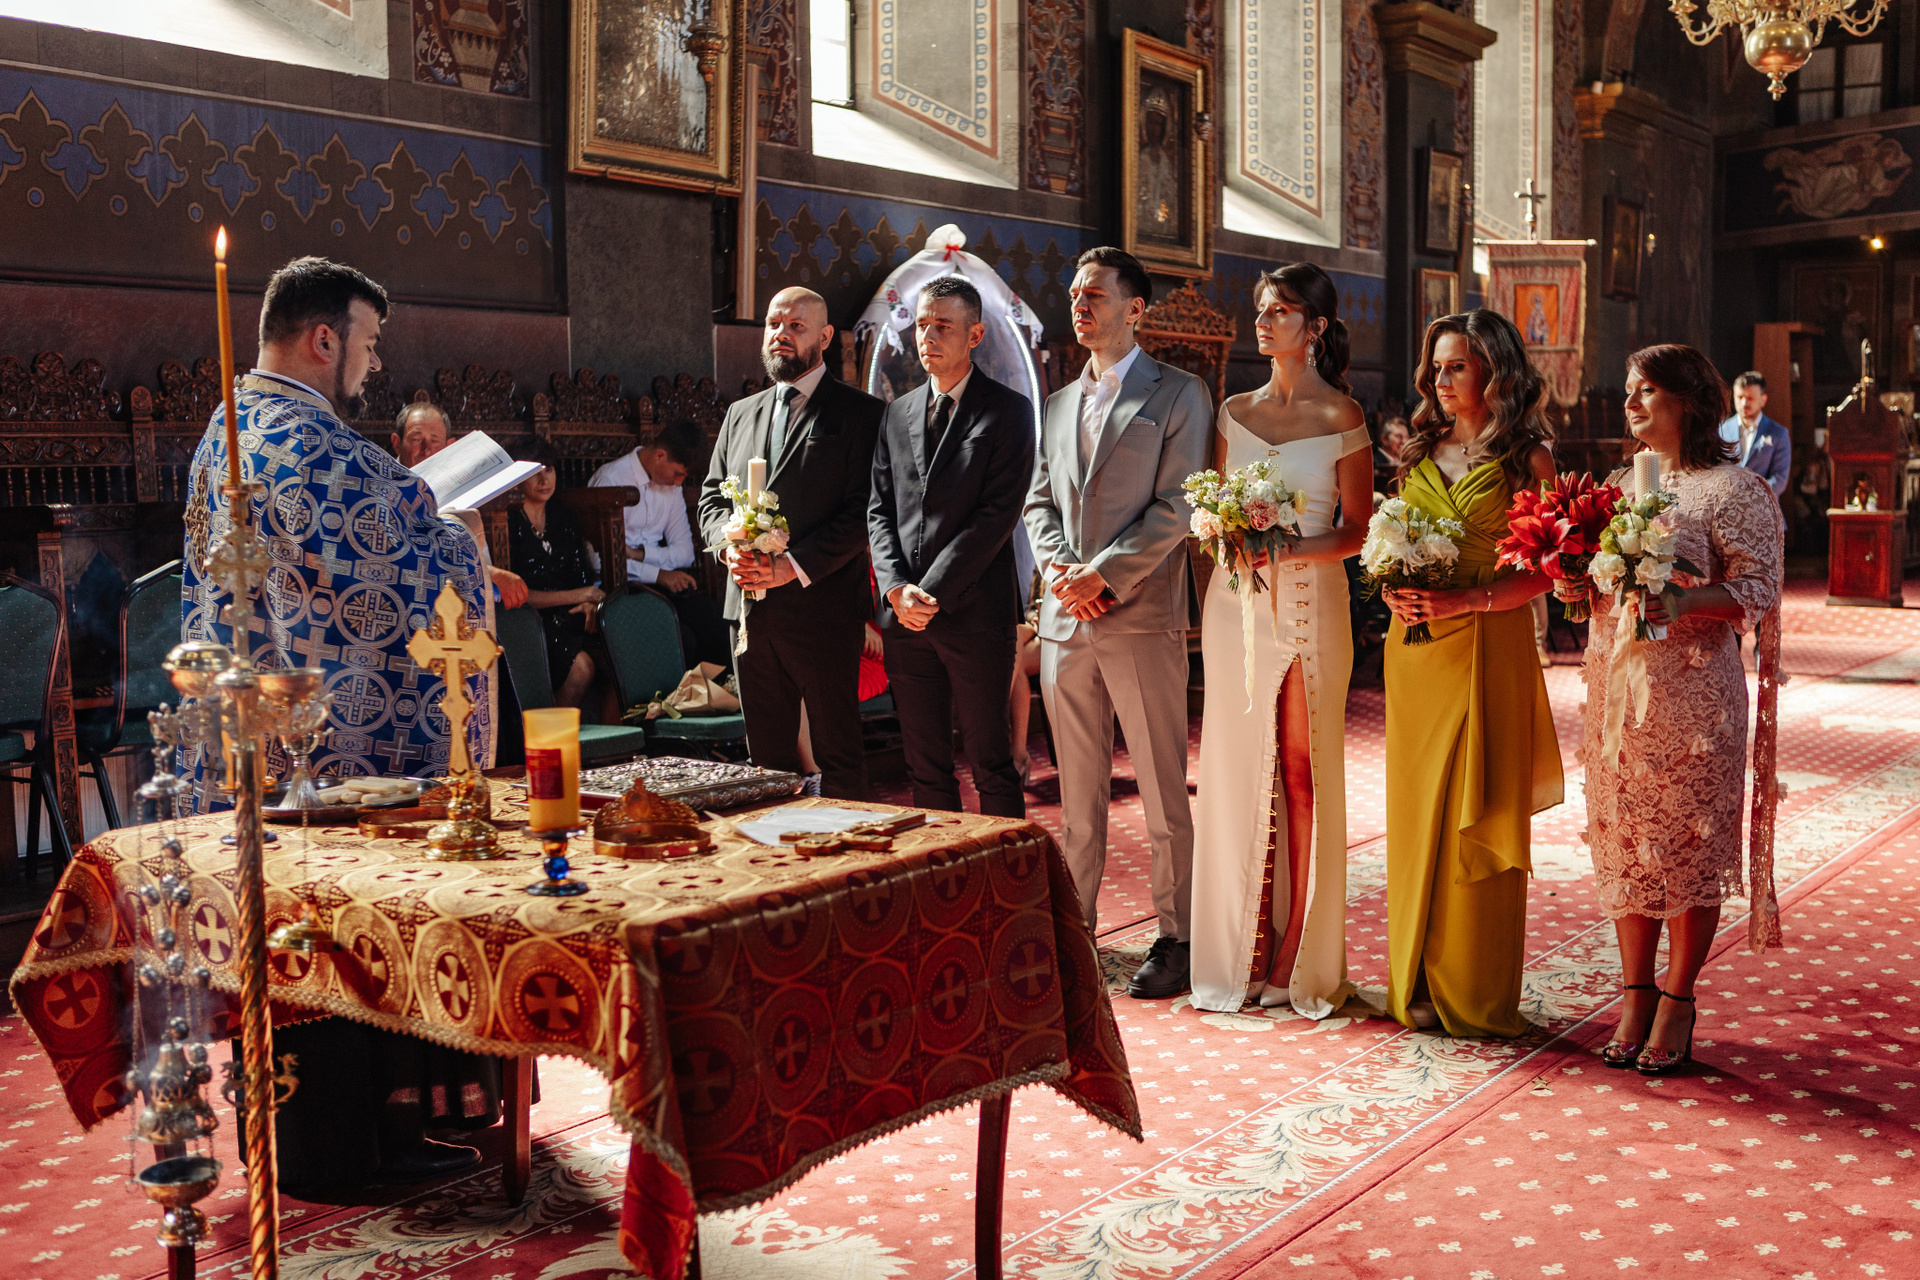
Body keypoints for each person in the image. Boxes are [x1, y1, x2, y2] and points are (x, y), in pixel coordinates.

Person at [180, 255, 503, 1188]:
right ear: (324, 339)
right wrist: (464, 539)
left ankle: (318, 1139)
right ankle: (351, 1150)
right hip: (327, 755)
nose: (373, 362)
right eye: (368, 342)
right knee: (339, 938)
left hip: (249, 745)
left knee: (287, 940)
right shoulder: (312, 444)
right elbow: (406, 576)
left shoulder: (226, 428)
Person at [1581, 345, 1784, 1075]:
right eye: (1629, 390)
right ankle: (1635, 993)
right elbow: (1602, 588)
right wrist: (1578, 583)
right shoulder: (1616, 485)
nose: (1631, 403)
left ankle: (1677, 998)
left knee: (1690, 844)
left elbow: (1758, 587)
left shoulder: (1733, 490)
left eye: (1647, 391)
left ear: (1690, 401)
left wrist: (1685, 599)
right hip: (1616, 693)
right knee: (1627, 841)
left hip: (1696, 699)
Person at [1023, 247, 1212, 999]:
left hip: (1138, 614)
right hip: (1067, 621)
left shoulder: (1180, 392)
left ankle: (1178, 937)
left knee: (1163, 790)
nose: (1080, 304)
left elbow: (1181, 502)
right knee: (1078, 798)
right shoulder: (1057, 403)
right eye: (1075, 293)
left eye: (1095, 294)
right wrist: (1062, 576)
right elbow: (1039, 502)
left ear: (1135, 309)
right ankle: (1077, 931)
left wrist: (1104, 575)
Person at [1189, 264, 1371, 1018]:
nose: (1264, 322)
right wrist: (1224, 533)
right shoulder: (1233, 410)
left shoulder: (1342, 414)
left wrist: (1286, 548)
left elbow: (1356, 531)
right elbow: (1215, 512)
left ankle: (1296, 950)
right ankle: (1239, 946)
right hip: (1234, 605)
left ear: (1315, 327)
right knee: (1235, 773)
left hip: (1307, 604)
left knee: (1299, 770)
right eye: (1262, 309)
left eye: (1281, 311)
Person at [1380, 309, 1564, 1038]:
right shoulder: (1416, 452)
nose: (1441, 380)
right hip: (1417, 651)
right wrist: (1391, 588)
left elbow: (1551, 570)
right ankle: (1416, 978)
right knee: (1418, 813)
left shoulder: (1530, 460)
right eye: (1436, 367)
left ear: (1495, 371)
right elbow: (1393, 543)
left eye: (1457, 365)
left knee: (1477, 809)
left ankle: (1474, 985)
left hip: (1490, 644)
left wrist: (1468, 600)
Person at [697, 286, 884, 800]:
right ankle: (778, 847)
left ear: (824, 337)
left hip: (824, 608)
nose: (781, 334)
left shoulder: (862, 413)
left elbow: (864, 511)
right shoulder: (741, 413)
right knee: (767, 761)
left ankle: (849, 847)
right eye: (774, 324)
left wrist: (791, 566)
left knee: (837, 754)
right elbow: (711, 498)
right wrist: (727, 546)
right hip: (750, 611)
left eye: (796, 326)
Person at [869, 275, 1035, 818]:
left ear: (975, 335)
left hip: (976, 613)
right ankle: (938, 866)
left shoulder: (1009, 410)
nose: (928, 336)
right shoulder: (896, 412)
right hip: (905, 618)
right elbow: (879, 510)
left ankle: (1007, 867)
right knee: (925, 767)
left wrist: (931, 592)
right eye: (922, 324)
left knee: (991, 764)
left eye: (943, 326)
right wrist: (896, 588)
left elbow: (996, 516)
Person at [589, 419, 731, 669]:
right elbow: (597, 561)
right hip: (618, 589)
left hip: (659, 588)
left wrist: (640, 554)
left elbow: (684, 552)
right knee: (680, 639)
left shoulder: (671, 488)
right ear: (660, 455)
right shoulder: (611, 479)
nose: (679, 483)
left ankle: (716, 695)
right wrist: (658, 574)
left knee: (717, 623)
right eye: (678, 473)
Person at [390, 400, 529, 609]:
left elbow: (477, 558)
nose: (427, 450)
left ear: (449, 446)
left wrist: (489, 574)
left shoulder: (460, 488)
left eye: (435, 441)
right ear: (396, 443)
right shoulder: (383, 486)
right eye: (416, 439)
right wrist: (491, 573)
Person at [507, 440, 606, 708]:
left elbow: (583, 578)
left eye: (549, 470)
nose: (544, 480)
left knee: (623, 652)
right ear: (517, 479)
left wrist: (589, 602)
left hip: (573, 616)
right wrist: (580, 595)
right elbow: (516, 595)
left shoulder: (563, 517)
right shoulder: (507, 522)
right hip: (531, 621)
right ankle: (550, 731)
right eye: (534, 473)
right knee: (582, 667)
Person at [1719, 371, 1791, 498]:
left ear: (1763, 400)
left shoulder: (1778, 433)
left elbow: (1780, 479)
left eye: (1750, 398)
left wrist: (1750, 497)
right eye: (1740, 397)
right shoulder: (1721, 430)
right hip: (1728, 503)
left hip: (1763, 504)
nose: (1744, 403)